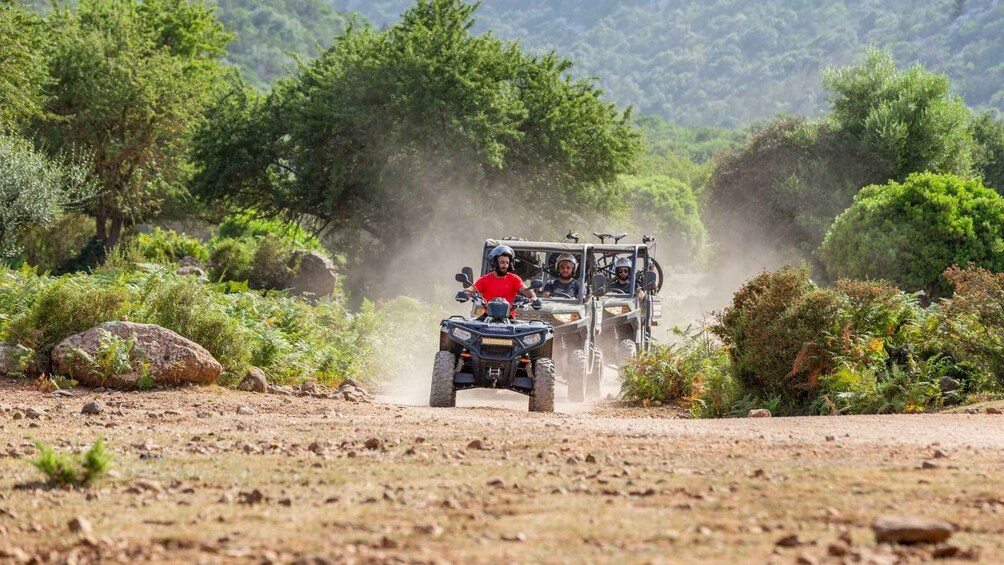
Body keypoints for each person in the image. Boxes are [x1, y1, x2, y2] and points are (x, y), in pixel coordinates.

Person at [464, 245, 537, 315]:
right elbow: (471, 289)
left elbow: (529, 292)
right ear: (494, 263)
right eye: (502, 262)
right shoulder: (485, 279)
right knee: (461, 325)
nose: (505, 265)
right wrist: (466, 292)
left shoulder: (515, 279)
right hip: (487, 317)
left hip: (509, 318)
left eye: (507, 263)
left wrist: (534, 298)